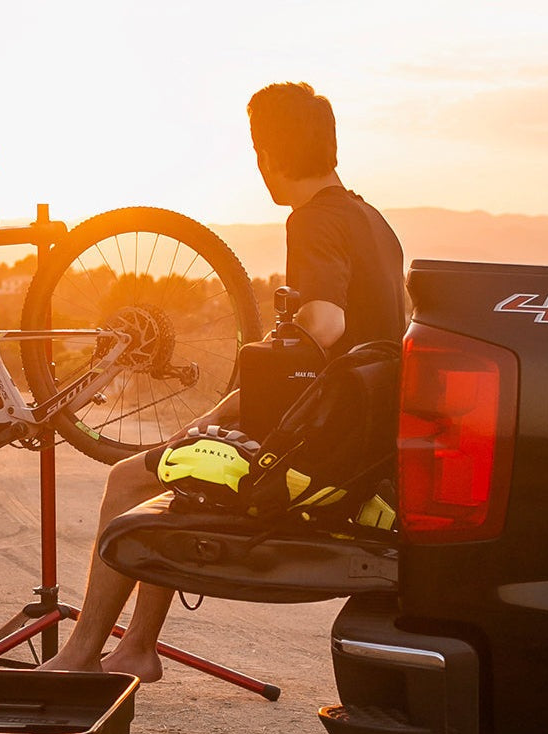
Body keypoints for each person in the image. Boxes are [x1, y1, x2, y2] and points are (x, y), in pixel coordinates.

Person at [39, 81, 405, 682]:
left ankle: (81, 656)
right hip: (359, 445)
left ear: (269, 154)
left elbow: (326, 327)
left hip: (318, 456)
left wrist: (239, 403)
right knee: (188, 460)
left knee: (127, 479)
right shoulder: (371, 219)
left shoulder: (313, 220)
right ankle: (135, 649)